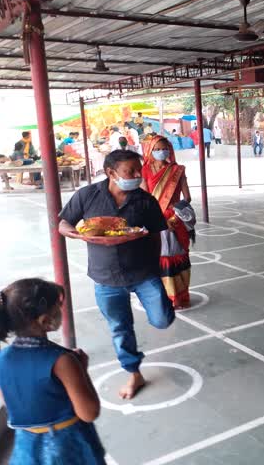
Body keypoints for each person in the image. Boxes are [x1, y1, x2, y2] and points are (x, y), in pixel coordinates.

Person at [58, 150, 175, 400]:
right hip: (105, 277)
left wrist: (157, 267)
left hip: (144, 272)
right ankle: (134, 373)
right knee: (120, 328)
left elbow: (156, 235)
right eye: (129, 171)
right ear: (111, 172)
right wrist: (79, 235)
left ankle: (158, 308)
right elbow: (63, 223)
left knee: (162, 319)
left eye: (138, 170)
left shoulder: (145, 201)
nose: (136, 175)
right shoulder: (87, 196)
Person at [0, 278, 106, 464]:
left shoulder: (0, 361)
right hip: (67, 446)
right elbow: (89, 412)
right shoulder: (62, 361)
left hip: (27, 446)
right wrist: (82, 370)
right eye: (57, 308)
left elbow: (11, 403)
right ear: (45, 320)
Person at [141, 135, 195, 309]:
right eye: (156, 149)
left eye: (164, 149)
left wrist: (175, 214)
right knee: (159, 257)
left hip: (174, 220)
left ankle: (180, 297)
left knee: (176, 256)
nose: (160, 152)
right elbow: (144, 198)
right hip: (155, 220)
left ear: (170, 150)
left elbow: (187, 197)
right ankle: (166, 298)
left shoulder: (178, 170)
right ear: (149, 151)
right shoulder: (145, 171)